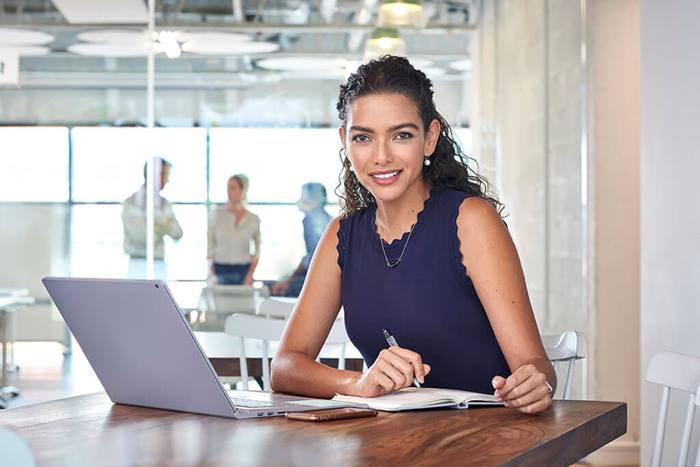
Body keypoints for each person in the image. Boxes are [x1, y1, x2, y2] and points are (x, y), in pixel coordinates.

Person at [271, 56, 556, 415]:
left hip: (485, 441)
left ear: (429, 138)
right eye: (363, 137)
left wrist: (534, 384)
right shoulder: (342, 235)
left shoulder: (471, 220)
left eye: (401, 135)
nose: (381, 156)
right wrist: (357, 383)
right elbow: (283, 368)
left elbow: (536, 366)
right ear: (345, 141)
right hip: (389, 444)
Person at [122, 157, 183, 279]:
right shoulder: (131, 203)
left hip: (159, 263)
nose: (167, 180)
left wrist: (155, 226)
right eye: (164, 175)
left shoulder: (164, 204)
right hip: (137, 263)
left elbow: (177, 233)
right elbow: (142, 236)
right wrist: (164, 225)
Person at [270, 182, 332, 297]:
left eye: (304, 196)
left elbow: (312, 257)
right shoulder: (330, 220)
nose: (300, 200)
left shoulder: (310, 220)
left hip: (320, 279)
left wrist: (289, 281)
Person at [208, 174, 260, 285]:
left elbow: (257, 250)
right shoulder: (216, 215)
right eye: (228, 187)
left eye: (233, 188)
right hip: (220, 270)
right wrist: (212, 275)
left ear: (243, 190)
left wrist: (251, 274)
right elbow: (210, 247)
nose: (229, 191)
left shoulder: (253, 219)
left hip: (243, 271)